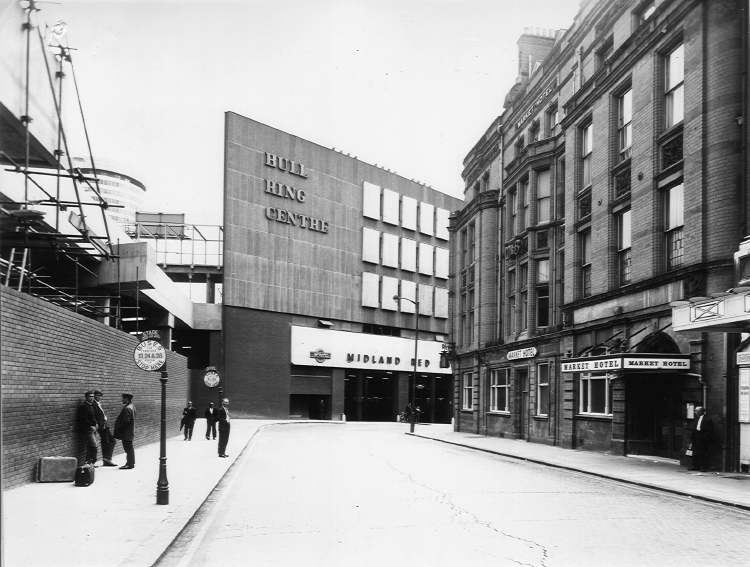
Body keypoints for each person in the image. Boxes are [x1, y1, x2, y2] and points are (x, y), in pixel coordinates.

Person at [93, 389, 117, 466]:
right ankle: (107, 460)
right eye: (97, 395)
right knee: (107, 441)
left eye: (100, 396)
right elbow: (94, 416)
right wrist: (100, 424)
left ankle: (106, 459)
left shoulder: (98, 404)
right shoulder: (93, 404)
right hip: (101, 426)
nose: (99, 397)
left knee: (111, 441)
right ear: (94, 396)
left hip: (105, 425)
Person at [114, 393, 136, 470]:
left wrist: (119, 428)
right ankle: (131, 463)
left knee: (128, 448)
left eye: (123, 398)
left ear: (127, 399)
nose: (122, 400)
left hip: (126, 432)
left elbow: (125, 421)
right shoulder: (132, 406)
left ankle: (129, 464)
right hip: (130, 432)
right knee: (130, 448)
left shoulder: (127, 408)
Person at [76, 391, 98, 466]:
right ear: (86, 397)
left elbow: (93, 417)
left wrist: (96, 424)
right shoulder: (83, 406)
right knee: (94, 445)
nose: (92, 398)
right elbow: (83, 419)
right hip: (88, 430)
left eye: (92, 396)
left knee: (90, 446)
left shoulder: (91, 405)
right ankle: (92, 461)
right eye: (90, 396)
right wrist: (90, 426)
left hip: (93, 429)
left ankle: (89, 462)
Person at [690, 405, 713, 471]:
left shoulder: (707, 419)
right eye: (695, 411)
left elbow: (710, 430)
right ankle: (695, 466)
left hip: (703, 438)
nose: (695, 412)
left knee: (702, 453)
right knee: (695, 452)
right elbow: (694, 429)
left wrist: (705, 438)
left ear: (701, 412)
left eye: (696, 411)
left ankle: (703, 467)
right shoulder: (696, 419)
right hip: (696, 437)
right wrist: (692, 438)